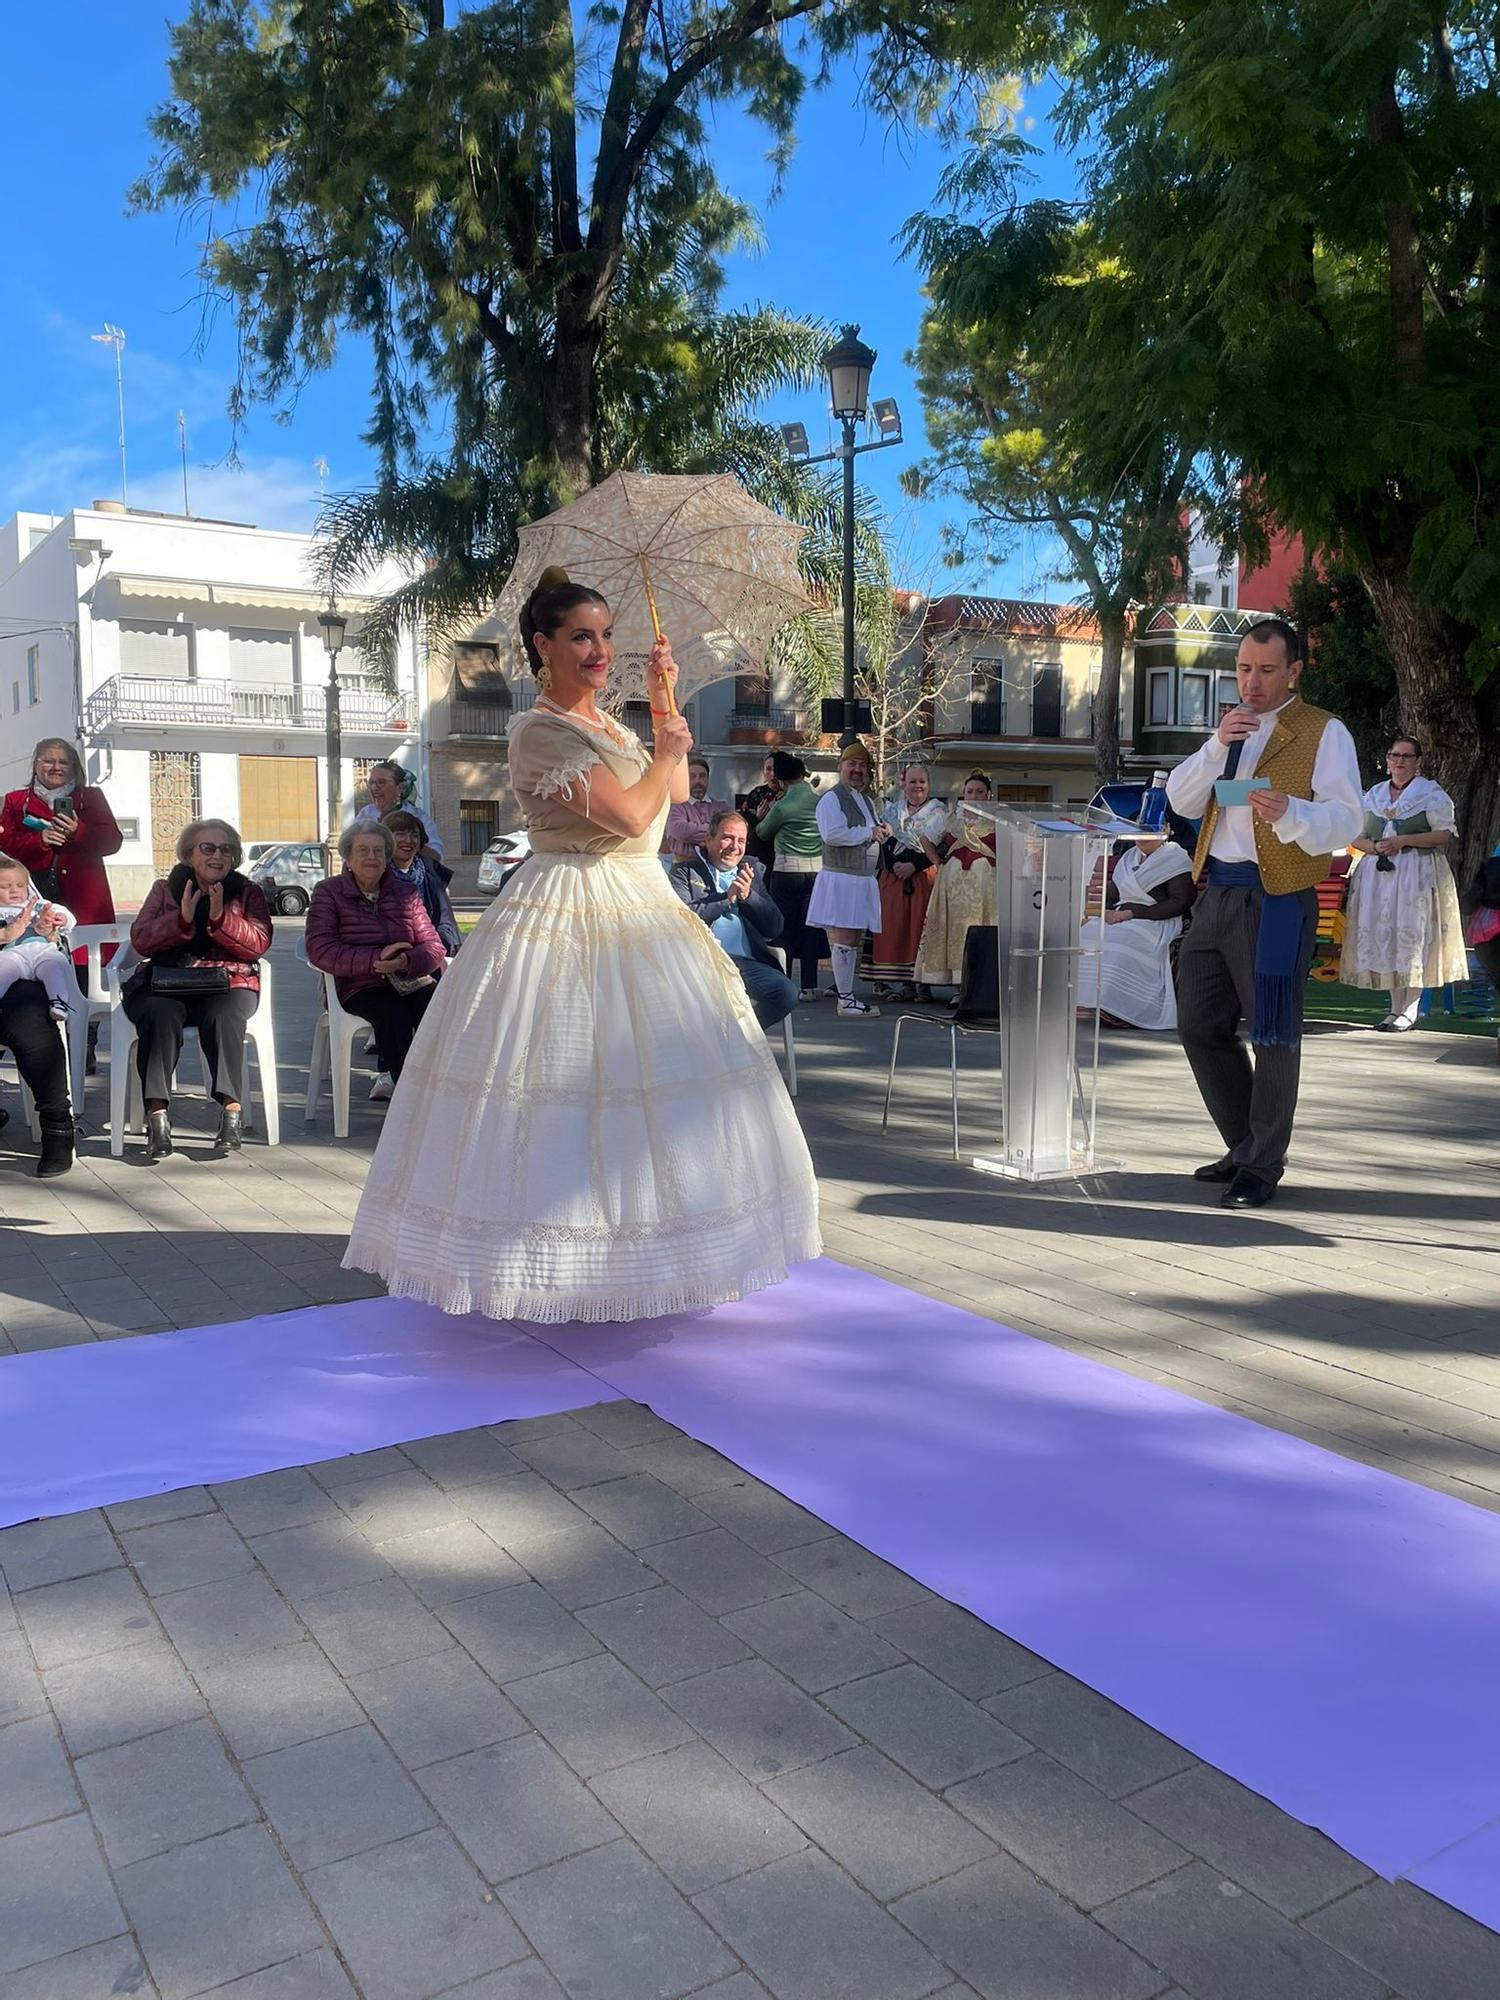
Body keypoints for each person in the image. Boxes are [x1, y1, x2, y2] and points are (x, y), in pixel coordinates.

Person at [342, 565, 820, 1322]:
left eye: (605, 636)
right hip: (569, 903)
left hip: (643, 907)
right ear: (544, 645)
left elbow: (670, 805)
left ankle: (644, 1257)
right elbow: (629, 818)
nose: (599, 650)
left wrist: (666, 712)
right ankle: (546, 1258)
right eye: (581, 637)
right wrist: (665, 756)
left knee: (647, 1088)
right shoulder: (537, 729)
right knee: (561, 1084)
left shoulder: (614, 726)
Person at [1166, 618, 1363, 1208]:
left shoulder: (1325, 731)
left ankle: (1263, 1163)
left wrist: (1291, 811)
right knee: (1198, 1024)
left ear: (1294, 671)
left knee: (1273, 1033)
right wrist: (1214, 746)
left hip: (1276, 899)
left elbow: (1349, 819)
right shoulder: (1227, 731)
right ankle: (1245, 1144)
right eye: (1244, 669)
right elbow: (1181, 799)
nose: (1252, 682)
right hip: (1217, 894)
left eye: (1266, 670)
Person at [125, 820, 273, 1162]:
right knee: (158, 1015)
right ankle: (157, 1115)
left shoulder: (247, 891)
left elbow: (259, 944)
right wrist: (181, 919)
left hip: (228, 981)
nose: (217, 855)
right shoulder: (165, 889)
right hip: (168, 980)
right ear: (190, 854)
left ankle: (231, 1110)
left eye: (226, 849)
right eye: (208, 848)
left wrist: (222, 919)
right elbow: (141, 939)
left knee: (225, 1017)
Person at [0, 738, 123, 1073]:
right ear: (35, 764)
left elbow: (112, 841)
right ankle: (46, 1043)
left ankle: (84, 1043)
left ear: (74, 767)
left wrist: (79, 832)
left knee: (83, 971)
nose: (54, 767)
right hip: (33, 899)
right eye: (47, 761)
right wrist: (38, 841)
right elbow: (5, 845)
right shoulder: (15, 801)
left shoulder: (90, 798)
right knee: (35, 965)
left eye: (62, 762)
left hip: (84, 900)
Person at [306, 823, 447, 1101]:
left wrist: (405, 961)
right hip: (358, 985)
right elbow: (320, 949)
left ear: (386, 859)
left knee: (440, 1007)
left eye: (378, 851)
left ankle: (445, 1089)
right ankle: (412, 1096)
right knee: (393, 1010)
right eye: (363, 850)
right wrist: (376, 960)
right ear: (348, 858)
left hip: (408, 978)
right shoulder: (328, 892)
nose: (371, 857)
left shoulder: (405, 892)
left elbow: (434, 946)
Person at [1339, 736, 1467, 1031]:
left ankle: (1410, 1009)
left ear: (1417, 761)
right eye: (1395, 755)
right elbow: (1354, 833)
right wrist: (1373, 848)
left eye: (1407, 756)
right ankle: (1394, 1009)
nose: (1400, 761)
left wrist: (1402, 840)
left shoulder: (1431, 794)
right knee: (1388, 936)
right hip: (1379, 875)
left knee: (1413, 937)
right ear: (1387, 759)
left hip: (1416, 871)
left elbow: (1443, 835)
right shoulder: (1373, 795)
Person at [670, 810, 796, 1031]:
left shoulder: (751, 872)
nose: (734, 846)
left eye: (741, 841)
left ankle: (735, 1036)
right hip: (703, 961)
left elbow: (775, 927)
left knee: (785, 992)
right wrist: (727, 898)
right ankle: (726, 1042)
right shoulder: (684, 873)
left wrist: (748, 897)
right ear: (709, 840)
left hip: (744, 964)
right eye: (727, 837)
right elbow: (682, 921)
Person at [1075, 830, 1197, 1030]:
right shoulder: (1129, 857)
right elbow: (1115, 891)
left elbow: (1180, 901)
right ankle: (1087, 999)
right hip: (1123, 917)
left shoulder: (1176, 859)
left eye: (1150, 833)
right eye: (1139, 832)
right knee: (1088, 933)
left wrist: (1133, 913)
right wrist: (1105, 909)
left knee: (1124, 939)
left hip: (1157, 919)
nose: (1143, 837)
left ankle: (1117, 1006)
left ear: (1166, 832)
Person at [807, 742, 889, 1020]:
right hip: (843, 877)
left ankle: (847, 995)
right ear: (840, 767)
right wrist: (870, 832)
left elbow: (868, 831)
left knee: (853, 937)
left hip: (861, 878)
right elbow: (832, 834)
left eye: (862, 765)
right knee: (844, 936)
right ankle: (845, 999)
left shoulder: (864, 800)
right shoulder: (831, 799)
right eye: (851, 764)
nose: (857, 770)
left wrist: (881, 831)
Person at [0, 882, 75, 1176]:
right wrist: (6, 934)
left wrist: (50, 931)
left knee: (32, 1019)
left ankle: (57, 1127)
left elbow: (59, 930)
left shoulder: (13, 876)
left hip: (21, 974)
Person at [866, 763, 948, 1002]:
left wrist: (914, 865)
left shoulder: (939, 812)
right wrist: (894, 865)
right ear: (904, 784)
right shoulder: (892, 811)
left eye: (922, 781)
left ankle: (923, 984)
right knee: (897, 927)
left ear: (928, 784)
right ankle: (904, 983)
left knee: (921, 930)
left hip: (923, 877)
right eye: (913, 781)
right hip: (894, 878)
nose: (917, 786)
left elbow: (940, 845)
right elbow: (884, 841)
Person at [914, 771, 997, 992]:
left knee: (981, 930)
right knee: (955, 932)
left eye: (980, 792)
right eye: (970, 791)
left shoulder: (998, 819)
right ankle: (958, 988)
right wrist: (939, 864)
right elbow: (925, 838)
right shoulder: (952, 817)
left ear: (989, 794)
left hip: (986, 888)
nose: (974, 795)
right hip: (952, 887)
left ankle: (979, 987)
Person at [754, 752, 825, 1000]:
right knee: (810, 928)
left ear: (782, 779)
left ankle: (784, 982)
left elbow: (762, 832)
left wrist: (761, 816)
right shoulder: (820, 802)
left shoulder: (783, 806)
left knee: (783, 928)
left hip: (786, 871)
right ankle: (809, 986)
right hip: (816, 871)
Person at [0, 858, 77, 1020]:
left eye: (20, 886)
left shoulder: (38, 905)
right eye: (5, 887)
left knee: (55, 966)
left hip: (42, 950)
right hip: (13, 953)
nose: (14, 890)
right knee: (3, 969)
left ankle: (59, 1003)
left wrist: (60, 918)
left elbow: (64, 915)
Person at [384, 809, 462, 956]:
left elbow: (444, 919)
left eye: (414, 835)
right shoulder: (378, 872)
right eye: (400, 834)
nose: (408, 840)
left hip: (430, 950)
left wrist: (439, 945)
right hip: (391, 950)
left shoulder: (430, 872)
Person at [354, 759, 445, 862]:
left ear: (400, 787)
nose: (374, 787)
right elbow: (350, 853)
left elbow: (437, 858)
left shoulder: (418, 816)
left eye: (381, 782)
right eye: (371, 783)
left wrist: (412, 841)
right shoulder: (365, 814)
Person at [660, 757, 729, 861]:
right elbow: (679, 831)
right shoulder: (677, 806)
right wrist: (714, 833)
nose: (697, 781)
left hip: (715, 866)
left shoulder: (721, 807)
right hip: (684, 866)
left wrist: (694, 834)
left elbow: (729, 832)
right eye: (692, 776)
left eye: (702, 776)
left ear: (708, 779)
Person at [740, 753, 783, 869]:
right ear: (763, 771)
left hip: (784, 854)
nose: (773, 774)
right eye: (768, 769)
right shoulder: (756, 794)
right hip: (760, 854)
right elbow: (742, 823)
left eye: (776, 769)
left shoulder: (790, 794)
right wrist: (757, 818)